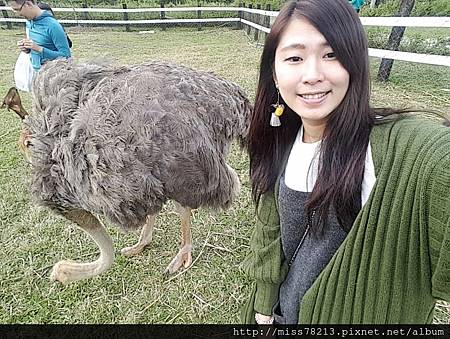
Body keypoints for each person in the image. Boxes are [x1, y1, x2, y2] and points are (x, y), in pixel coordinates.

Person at [241, 0, 449, 325]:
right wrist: (264, 308)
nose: (312, 75)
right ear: (274, 72)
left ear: (355, 62)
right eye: (295, 58)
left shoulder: (408, 150)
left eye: (331, 54)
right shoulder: (279, 139)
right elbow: (270, 229)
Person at [9, 0, 71, 72]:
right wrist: (27, 48)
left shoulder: (53, 26)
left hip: (53, 76)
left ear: (28, 4)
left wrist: (39, 49)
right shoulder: (29, 22)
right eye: (14, 10)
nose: (17, 14)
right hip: (36, 73)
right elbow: (36, 47)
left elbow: (66, 56)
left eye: (18, 9)